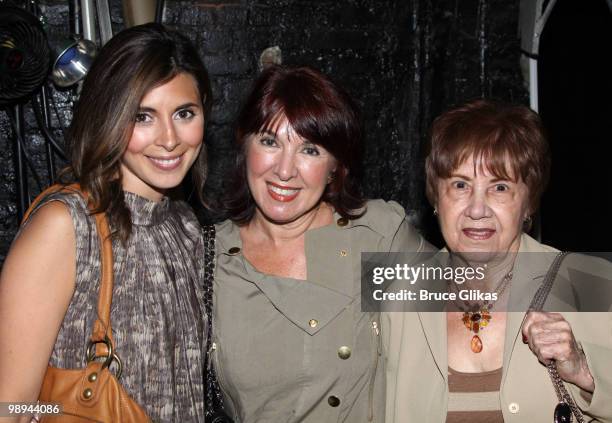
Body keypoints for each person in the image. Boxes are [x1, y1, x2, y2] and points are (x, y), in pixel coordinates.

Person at [0, 23, 212, 421]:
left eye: (184, 113)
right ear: (110, 116)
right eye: (142, 116)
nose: (169, 139)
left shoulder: (184, 225)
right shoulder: (66, 226)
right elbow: (9, 405)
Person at [211, 65, 427, 422]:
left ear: (335, 167)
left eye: (309, 150)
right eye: (269, 141)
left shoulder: (373, 239)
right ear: (244, 143)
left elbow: (474, 302)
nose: (284, 170)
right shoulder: (210, 258)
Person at [383, 99, 612, 422]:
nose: (477, 210)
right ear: (436, 198)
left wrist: (585, 373)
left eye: (499, 187)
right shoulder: (400, 295)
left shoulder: (589, 282)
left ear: (528, 202)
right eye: (460, 185)